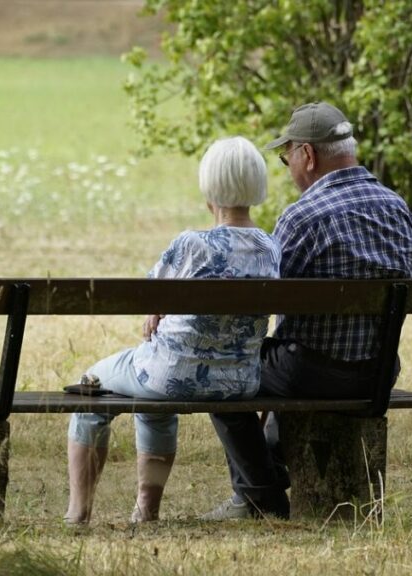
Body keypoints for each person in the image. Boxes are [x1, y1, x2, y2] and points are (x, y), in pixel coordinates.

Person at [202, 102, 412, 520]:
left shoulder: (302, 217)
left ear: (308, 155)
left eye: (287, 159)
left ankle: (259, 496)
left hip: (311, 373)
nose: (289, 169)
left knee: (220, 370)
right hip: (377, 373)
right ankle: (270, 473)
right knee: (285, 357)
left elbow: (265, 300)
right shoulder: (399, 209)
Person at [65, 136, 280, 524]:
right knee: (151, 395)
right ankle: (145, 511)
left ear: (209, 186)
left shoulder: (191, 244)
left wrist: (156, 310)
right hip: (239, 381)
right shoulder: (270, 247)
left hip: (171, 374)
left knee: (91, 385)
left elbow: (148, 295)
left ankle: (78, 513)